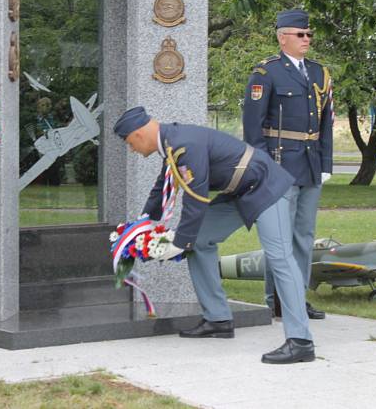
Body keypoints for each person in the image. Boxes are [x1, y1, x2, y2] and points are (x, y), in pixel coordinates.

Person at [114, 106, 315, 364]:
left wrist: (178, 243)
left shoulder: (181, 143)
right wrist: (143, 225)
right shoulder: (172, 143)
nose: (133, 150)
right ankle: (218, 319)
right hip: (241, 192)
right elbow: (161, 186)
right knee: (198, 241)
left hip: (267, 187)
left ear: (139, 134)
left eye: (130, 144)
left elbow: (196, 198)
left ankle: (301, 341)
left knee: (280, 259)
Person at [242, 8, 333, 320]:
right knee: (279, 237)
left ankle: (298, 297)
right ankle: (278, 300)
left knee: (304, 236)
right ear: (283, 38)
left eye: (309, 34)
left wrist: (326, 162)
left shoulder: (320, 73)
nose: (307, 39)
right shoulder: (266, 73)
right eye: (300, 34)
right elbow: (253, 127)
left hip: (310, 164)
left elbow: (326, 123)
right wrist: (263, 166)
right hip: (280, 164)